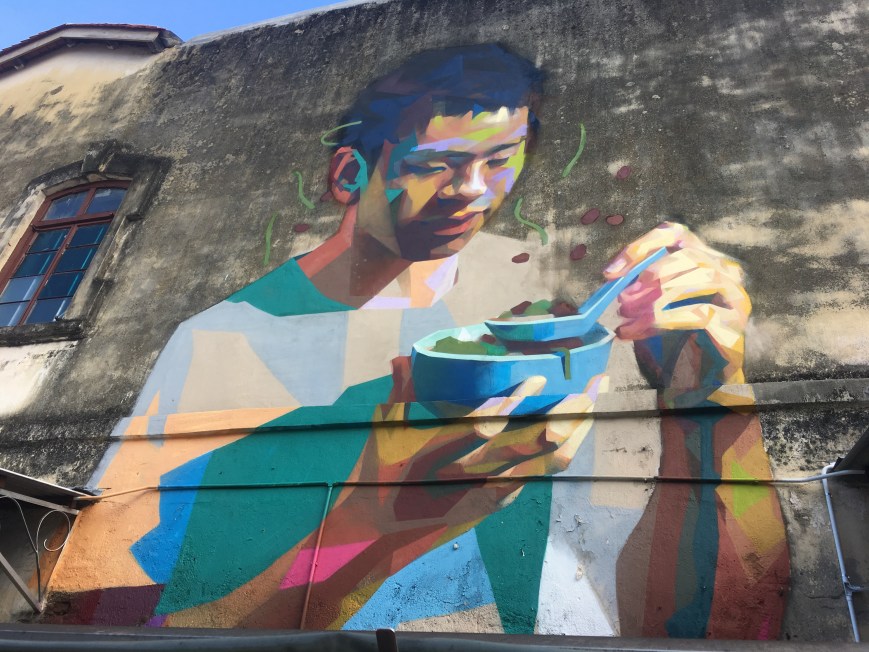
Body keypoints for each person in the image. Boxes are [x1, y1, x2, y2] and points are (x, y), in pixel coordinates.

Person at [65, 44, 788, 636]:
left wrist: (710, 399)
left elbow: (717, 627)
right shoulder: (223, 340)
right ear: (350, 173)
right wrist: (373, 524)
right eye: (433, 164)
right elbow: (113, 615)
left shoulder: (548, 317)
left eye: (499, 159)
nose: (472, 191)